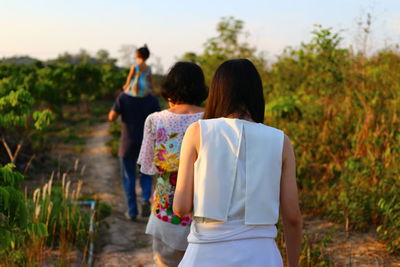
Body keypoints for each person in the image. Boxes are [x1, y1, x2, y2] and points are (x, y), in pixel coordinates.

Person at [173, 59, 302, 267]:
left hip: (205, 255)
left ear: (217, 92)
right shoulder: (280, 140)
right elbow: (292, 217)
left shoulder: (198, 132)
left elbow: (180, 207)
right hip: (262, 256)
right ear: (256, 93)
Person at [137, 62, 208, 267]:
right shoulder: (212, 119)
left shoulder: (155, 120)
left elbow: (149, 167)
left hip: (165, 212)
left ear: (170, 89)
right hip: (205, 217)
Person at [108, 65, 160, 220]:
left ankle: (132, 212)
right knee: (146, 175)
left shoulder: (123, 97)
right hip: (146, 145)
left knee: (128, 178)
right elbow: (157, 119)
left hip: (127, 143)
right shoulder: (151, 99)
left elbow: (111, 117)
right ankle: (145, 199)